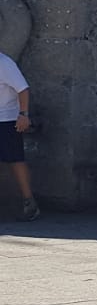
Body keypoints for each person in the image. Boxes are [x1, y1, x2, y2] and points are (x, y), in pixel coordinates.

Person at [0, 51, 38, 222]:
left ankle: (29, 201)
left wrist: (23, 114)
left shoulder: (4, 63)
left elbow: (23, 89)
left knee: (15, 160)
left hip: (6, 119)